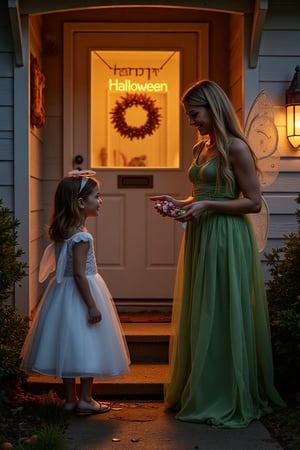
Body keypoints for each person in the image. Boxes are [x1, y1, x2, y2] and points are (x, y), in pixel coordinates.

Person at [151, 80, 285, 428]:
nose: (191, 121)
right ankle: (202, 386)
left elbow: (253, 202)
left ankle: (225, 392)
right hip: (202, 236)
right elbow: (202, 193)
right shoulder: (201, 148)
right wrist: (178, 204)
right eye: (188, 115)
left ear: (213, 108)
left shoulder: (237, 148)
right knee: (202, 311)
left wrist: (207, 205)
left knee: (222, 309)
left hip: (227, 237)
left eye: (194, 114)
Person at [21, 171, 130, 413]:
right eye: (97, 196)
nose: (100, 201)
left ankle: (70, 400)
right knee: (88, 343)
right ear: (81, 203)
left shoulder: (63, 231)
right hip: (83, 293)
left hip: (62, 294)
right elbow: (80, 274)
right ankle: (87, 399)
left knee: (68, 345)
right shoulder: (81, 236)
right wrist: (92, 304)